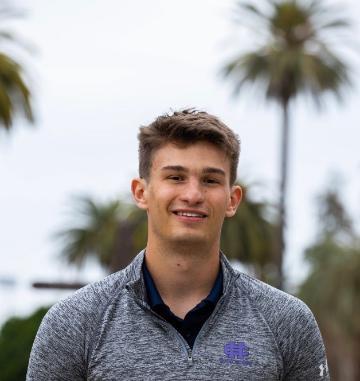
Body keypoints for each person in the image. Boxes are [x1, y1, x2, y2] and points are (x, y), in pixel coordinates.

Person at [27, 109, 329, 380]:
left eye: (210, 180)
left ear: (232, 200)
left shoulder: (286, 321)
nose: (193, 195)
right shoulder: (75, 322)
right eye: (175, 177)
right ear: (141, 192)